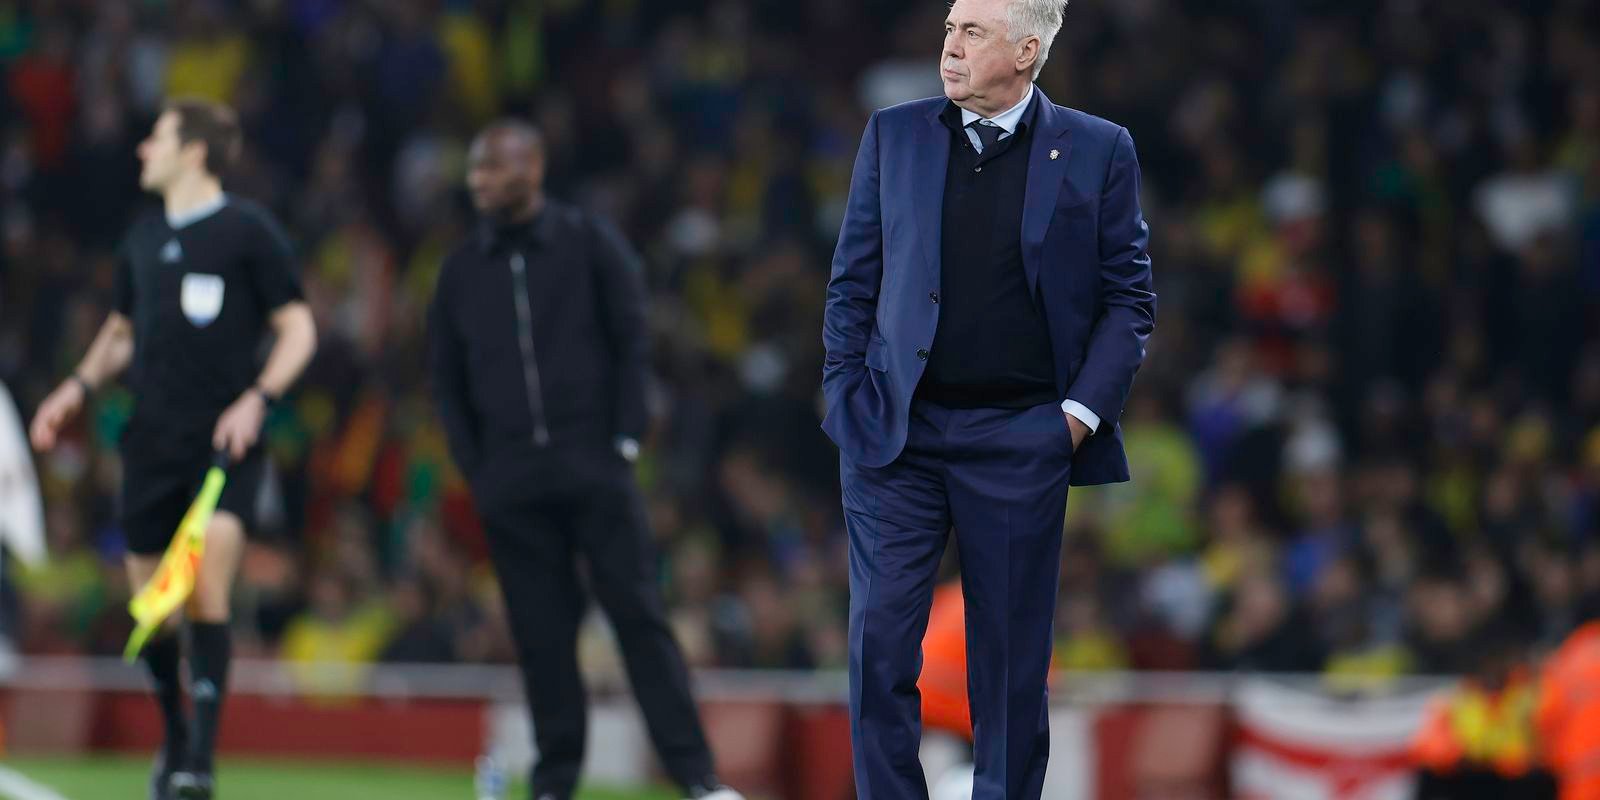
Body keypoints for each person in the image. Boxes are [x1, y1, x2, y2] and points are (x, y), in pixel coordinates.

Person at [820, 0, 1156, 795]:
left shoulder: (1099, 147)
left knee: (1009, 665)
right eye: (949, 29)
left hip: (1022, 435)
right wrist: (846, 390)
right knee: (879, 645)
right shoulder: (894, 134)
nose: (950, 46)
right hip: (897, 434)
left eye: (972, 32)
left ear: (1027, 50)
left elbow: (1128, 300)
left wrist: (1074, 420)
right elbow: (852, 280)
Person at [427, 120, 740, 800]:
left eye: (494, 167)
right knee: (541, 636)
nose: (479, 180)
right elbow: (446, 380)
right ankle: (554, 784)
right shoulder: (461, 271)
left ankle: (697, 777)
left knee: (639, 619)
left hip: (595, 467)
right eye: (475, 169)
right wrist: (479, 469)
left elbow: (633, 339)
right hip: (511, 481)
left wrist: (625, 440)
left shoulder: (588, 242)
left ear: (534, 168)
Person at [29, 98, 317, 800]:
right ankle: (176, 735)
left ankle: (200, 765)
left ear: (193, 150)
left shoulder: (249, 232)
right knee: (154, 609)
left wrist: (259, 399)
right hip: (151, 444)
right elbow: (121, 333)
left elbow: (299, 328)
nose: (141, 149)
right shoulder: (142, 238)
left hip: (224, 443)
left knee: (207, 583)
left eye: (154, 138)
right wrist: (76, 387)